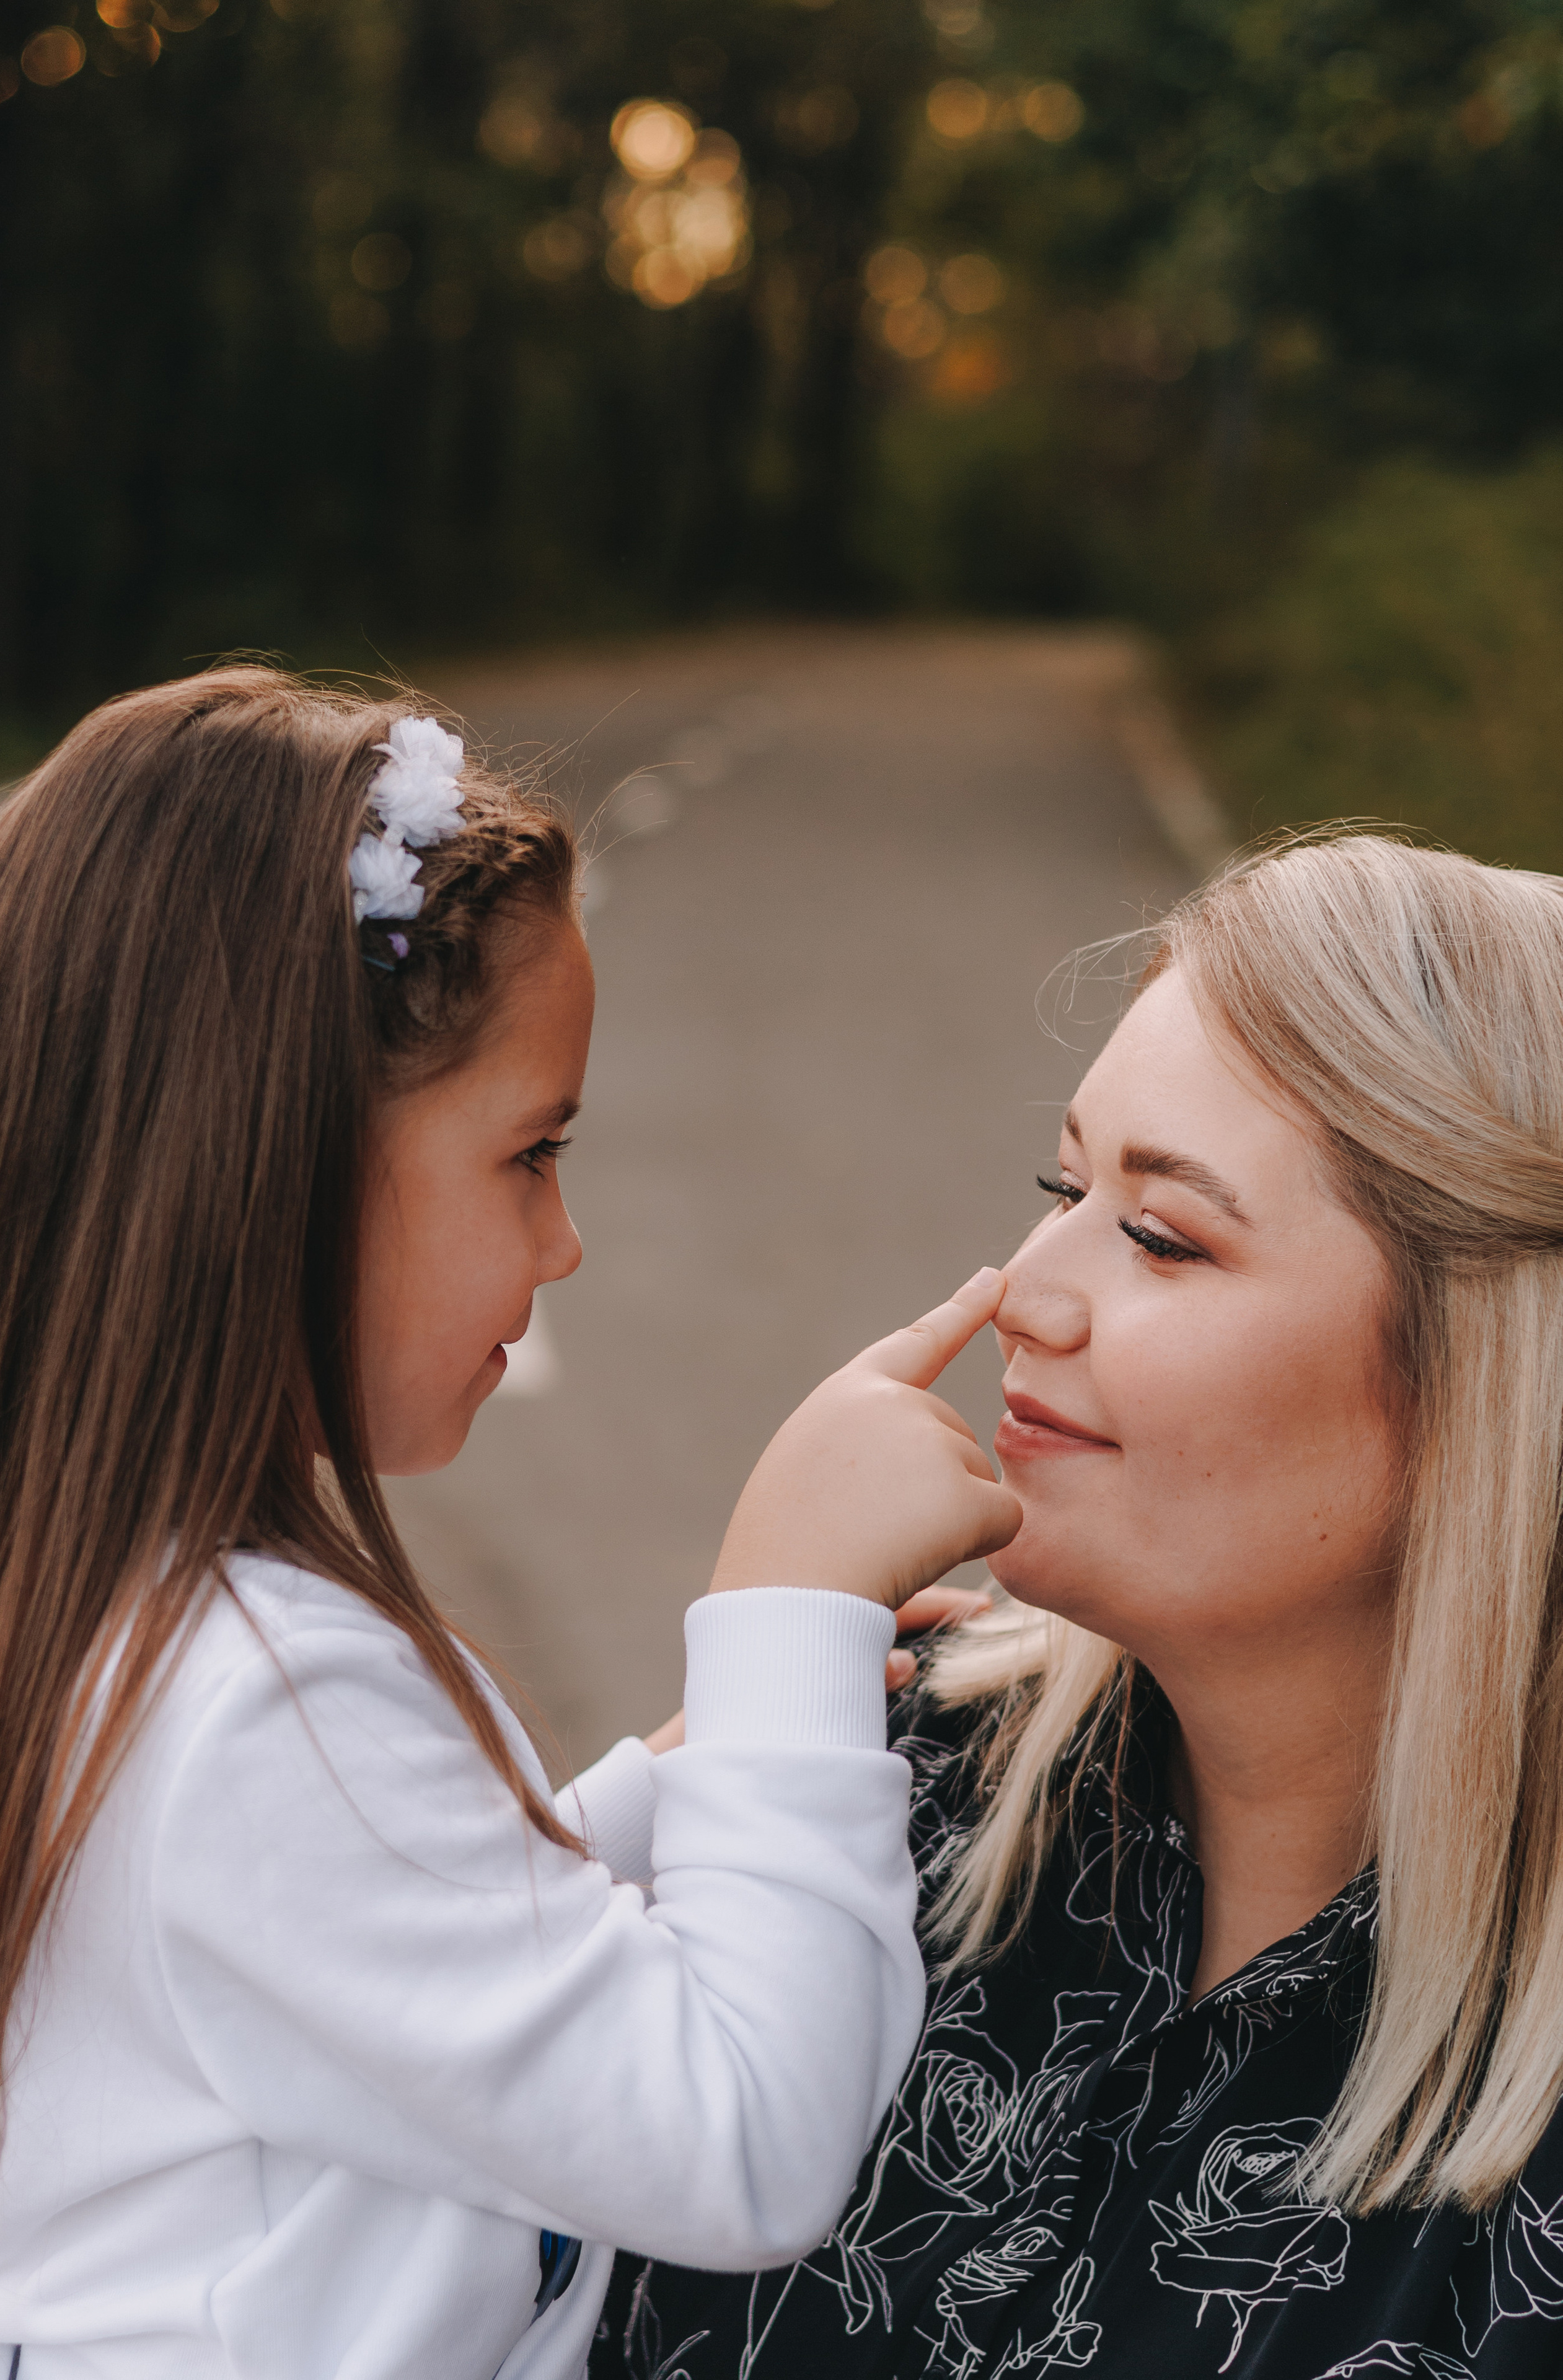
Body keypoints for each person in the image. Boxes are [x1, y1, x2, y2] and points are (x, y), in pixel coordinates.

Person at [0, 666, 1023, 2380]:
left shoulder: (113, 1625)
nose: (564, 1242)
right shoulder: (259, 1699)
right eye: (530, 1154)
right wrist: (790, 1598)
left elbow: (380, 1958)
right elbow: (742, 2142)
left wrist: (707, 1773)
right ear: (285, 1158)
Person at [596, 831, 1563, 2380]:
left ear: (1485, 1380)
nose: (1023, 1294)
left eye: (1163, 1236)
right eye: (1061, 1185)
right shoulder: (856, 1771)